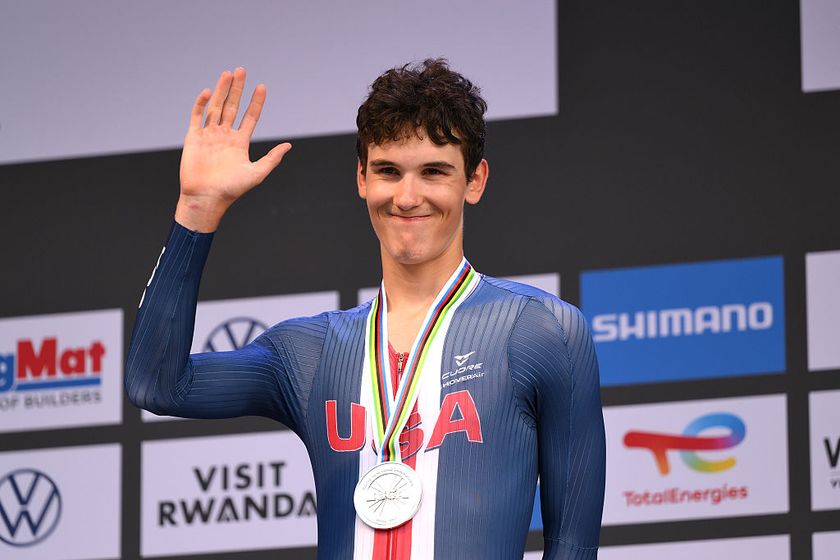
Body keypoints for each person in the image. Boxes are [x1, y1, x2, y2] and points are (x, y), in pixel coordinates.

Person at [125, 59, 605, 559]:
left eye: (434, 172)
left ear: (475, 180)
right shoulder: (308, 353)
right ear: (361, 178)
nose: (407, 195)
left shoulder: (539, 331)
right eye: (388, 171)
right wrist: (197, 209)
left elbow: (572, 546)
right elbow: (156, 384)